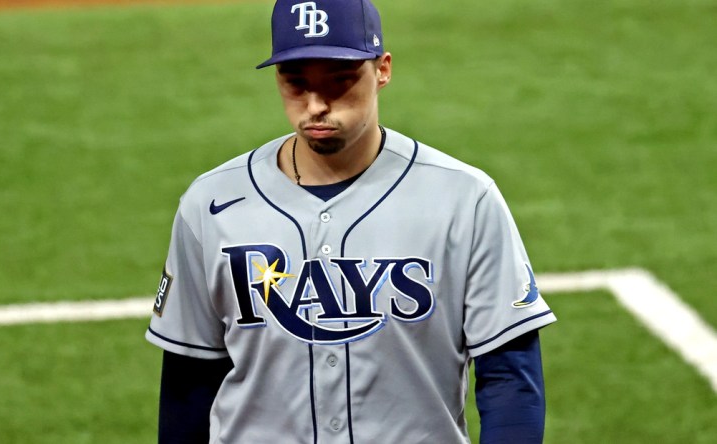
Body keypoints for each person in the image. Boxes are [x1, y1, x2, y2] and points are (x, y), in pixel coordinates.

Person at [145, 0, 557, 442]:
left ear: (382, 69)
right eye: (295, 83)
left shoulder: (464, 199)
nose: (316, 105)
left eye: (340, 82)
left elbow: (510, 378)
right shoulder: (210, 203)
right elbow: (190, 382)